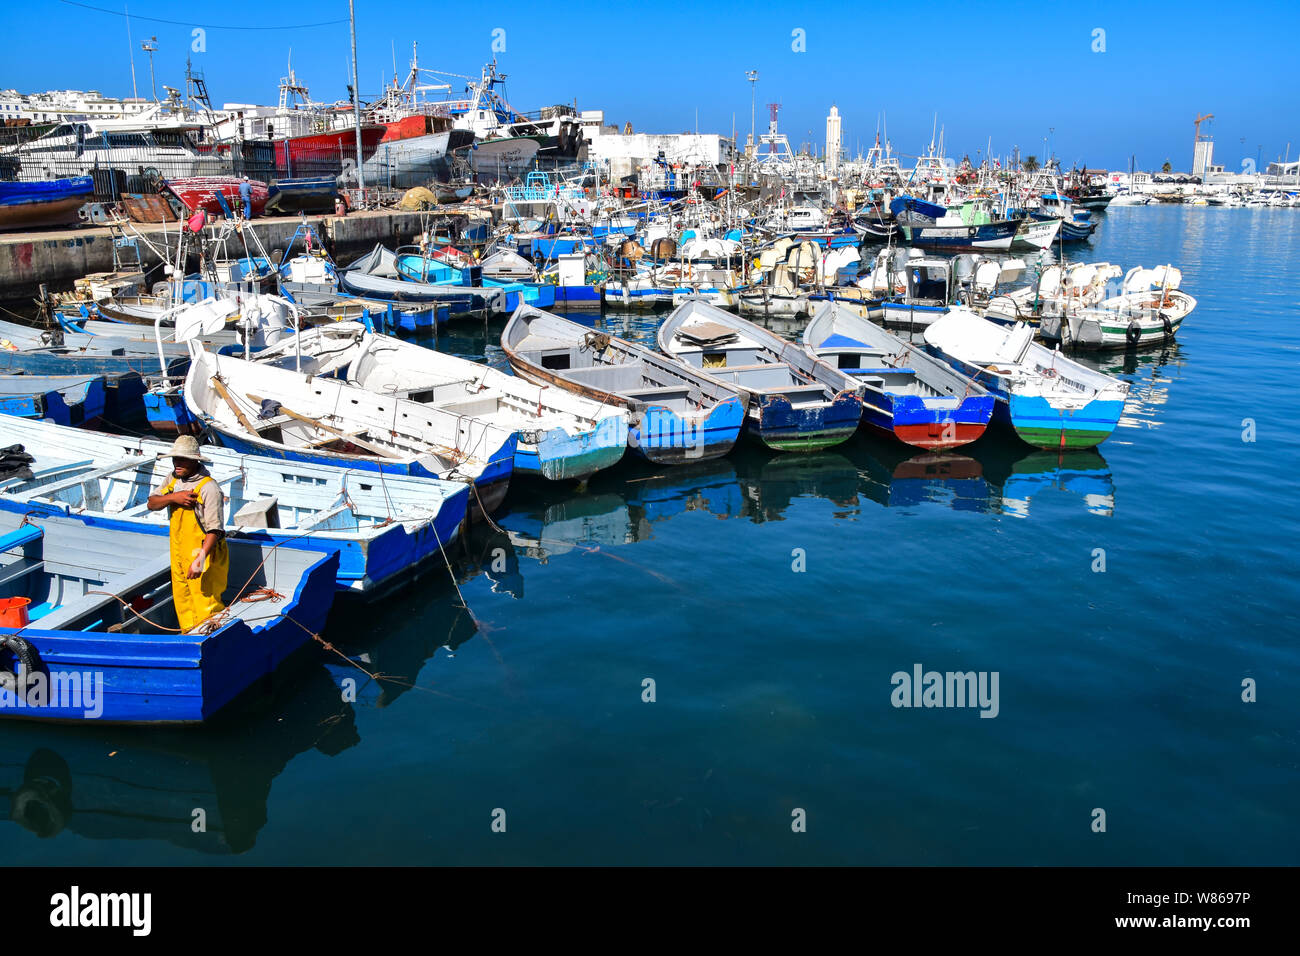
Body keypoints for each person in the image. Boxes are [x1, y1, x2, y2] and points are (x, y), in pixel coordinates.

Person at [146, 436, 228, 633]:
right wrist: (174, 497)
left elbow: (215, 530)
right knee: (183, 600)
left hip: (204, 554)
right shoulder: (173, 479)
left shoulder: (209, 488)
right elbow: (152, 503)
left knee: (205, 602)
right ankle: (189, 635)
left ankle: (211, 639)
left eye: (182, 459)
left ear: (195, 460)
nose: (177, 464)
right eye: (175, 459)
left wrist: (199, 560)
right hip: (179, 552)